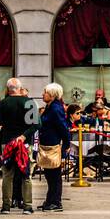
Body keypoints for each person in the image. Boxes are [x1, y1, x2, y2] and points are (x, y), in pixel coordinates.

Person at [0, 78, 37, 215]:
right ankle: (27, 206)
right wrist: (24, 136)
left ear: (8, 89)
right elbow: (36, 124)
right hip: (25, 143)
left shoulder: (3, 103)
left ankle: (6, 206)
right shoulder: (29, 102)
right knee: (26, 175)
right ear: (20, 88)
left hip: (7, 142)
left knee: (7, 175)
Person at [38, 83, 70, 212]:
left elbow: (63, 127)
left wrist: (66, 143)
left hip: (53, 145)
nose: (42, 94)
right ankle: (50, 200)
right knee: (49, 174)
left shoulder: (56, 108)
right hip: (47, 144)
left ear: (52, 95)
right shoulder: (50, 106)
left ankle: (56, 202)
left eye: (45, 92)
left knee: (54, 175)